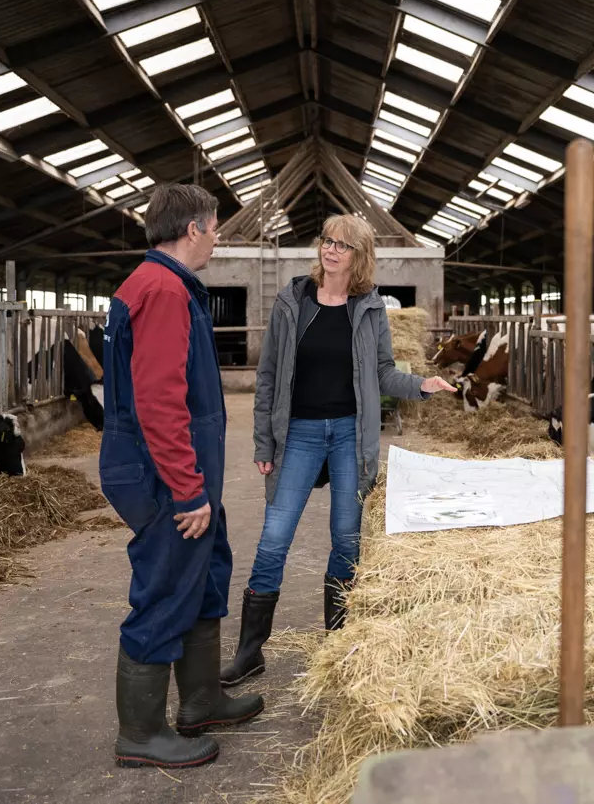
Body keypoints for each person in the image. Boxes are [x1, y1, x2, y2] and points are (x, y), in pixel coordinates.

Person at [220, 214, 456, 686]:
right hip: (300, 434)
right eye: (327, 240)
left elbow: (384, 374)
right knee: (273, 539)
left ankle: (336, 646)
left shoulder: (368, 309)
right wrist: (264, 442)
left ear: (359, 256)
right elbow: (267, 377)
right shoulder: (292, 300)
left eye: (342, 245)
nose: (331, 250)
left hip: (349, 434)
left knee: (346, 540)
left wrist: (421, 385)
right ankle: (250, 651)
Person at [100, 183, 262, 769]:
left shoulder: (155, 285)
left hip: (182, 472)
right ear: (192, 229)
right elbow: (160, 400)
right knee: (167, 587)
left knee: (205, 575)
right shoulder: (164, 291)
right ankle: (141, 734)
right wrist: (188, 489)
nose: (217, 239)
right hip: (166, 475)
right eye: (215, 228)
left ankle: (201, 699)